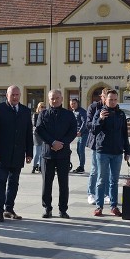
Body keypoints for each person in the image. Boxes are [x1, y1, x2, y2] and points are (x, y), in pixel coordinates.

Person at [0, 85, 33, 222]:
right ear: (6, 95)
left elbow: (28, 134)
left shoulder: (25, 111)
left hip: (18, 154)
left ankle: (9, 208)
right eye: (12, 95)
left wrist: (29, 153)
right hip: (2, 154)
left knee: (14, 182)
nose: (15, 97)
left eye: (17, 95)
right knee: (1, 182)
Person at [35, 89, 77, 219]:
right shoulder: (43, 114)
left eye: (57, 98)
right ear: (49, 100)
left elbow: (72, 131)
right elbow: (39, 130)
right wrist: (52, 142)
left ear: (62, 99)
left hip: (63, 154)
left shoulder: (69, 115)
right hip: (48, 154)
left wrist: (61, 143)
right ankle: (47, 208)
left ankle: (63, 209)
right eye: (52, 98)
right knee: (47, 183)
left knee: (63, 183)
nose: (55, 100)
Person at [91, 89, 130, 217]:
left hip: (117, 152)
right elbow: (94, 130)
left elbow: (124, 134)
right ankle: (99, 206)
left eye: (115, 99)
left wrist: (127, 150)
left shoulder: (121, 115)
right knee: (102, 179)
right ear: (105, 100)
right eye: (110, 99)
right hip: (103, 151)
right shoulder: (100, 112)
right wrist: (101, 119)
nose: (112, 102)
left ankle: (114, 206)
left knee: (114, 181)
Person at [86, 88, 108, 205]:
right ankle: (91, 193)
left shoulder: (114, 109)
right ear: (102, 97)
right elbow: (89, 125)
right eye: (106, 97)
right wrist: (100, 118)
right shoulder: (93, 107)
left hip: (108, 143)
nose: (108, 100)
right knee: (95, 169)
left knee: (106, 170)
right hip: (96, 142)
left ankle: (106, 194)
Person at [70, 97, 87, 173]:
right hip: (78, 133)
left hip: (84, 133)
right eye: (71, 104)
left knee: (81, 149)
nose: (72, 105)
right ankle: (81, 165)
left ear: (78, 103)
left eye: (74, 103)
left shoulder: (82, 111)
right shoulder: (73, 111)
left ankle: (82, 166)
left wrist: (80, 131)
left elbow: (85, 122)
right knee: (78, 150)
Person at [30, 102, 45, 173]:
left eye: (44, 107)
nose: (43, 108)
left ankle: (40, 167)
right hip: (36, 135)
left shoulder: (46, 115)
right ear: (38, 108)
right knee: (37, 152)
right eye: (41, 107)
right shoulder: (35, 115)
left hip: (44, 135)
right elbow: (35, 124)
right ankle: (34, 166)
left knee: (42, 152)